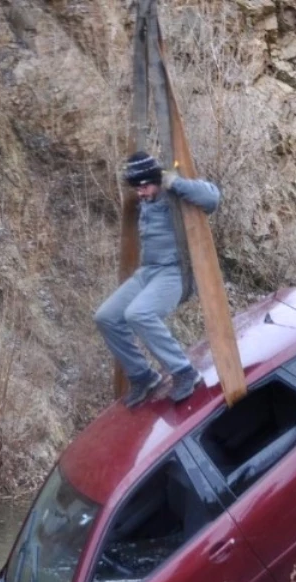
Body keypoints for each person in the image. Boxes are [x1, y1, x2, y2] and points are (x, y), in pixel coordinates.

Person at [94, 151, 221, 408]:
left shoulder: (174, 194)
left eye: (144, 186)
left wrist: (175, 182)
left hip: (176, 271)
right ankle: (143, 377)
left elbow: (212, 198)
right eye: (137, 188)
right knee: (105, 317)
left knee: (139, 314)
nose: (140, 192)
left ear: (156, 178)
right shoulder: (146, 198)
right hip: (149, 271)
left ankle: (185, 372)